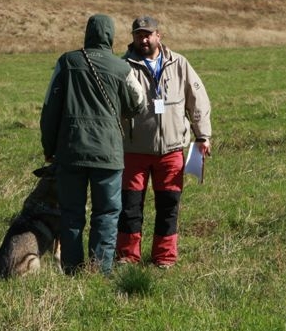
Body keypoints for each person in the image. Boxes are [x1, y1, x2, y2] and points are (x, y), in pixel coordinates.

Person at [40, 14, 145, 276]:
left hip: (71, 151)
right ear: (110, 37)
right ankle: (100, 271)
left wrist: (49, 147)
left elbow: (49, 110)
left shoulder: (67, 62)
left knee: (71, 213)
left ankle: (72, 270)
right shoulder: (122, 68)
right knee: (107, 214)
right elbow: (139, 102)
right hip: (108, 154)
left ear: (87, 33)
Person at [116, 16, 211, 269]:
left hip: (171, 151)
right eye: (138, 35)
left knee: (169, 206)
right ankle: (127, 256)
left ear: (159, 35)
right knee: (130, 207)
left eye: (148, 34)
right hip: (133, 151)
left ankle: (164, 258)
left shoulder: (179, 63)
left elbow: (198, 100)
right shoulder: (123, 66)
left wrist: (202, 136)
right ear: (133, 37)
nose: (143, 39)